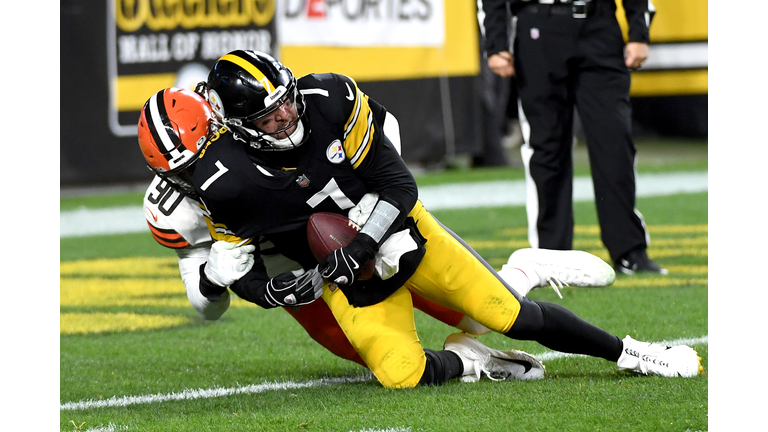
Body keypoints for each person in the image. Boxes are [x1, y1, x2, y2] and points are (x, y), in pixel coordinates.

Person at [146, 50, 701, 389]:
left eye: (286, 101)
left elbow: (399, 184)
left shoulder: (329, 97)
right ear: (236, 126)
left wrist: (361, 243)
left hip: (395, 231)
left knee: (501, 312)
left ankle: (634, 353)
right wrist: (275, 293)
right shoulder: (224, 176)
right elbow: (234, 263)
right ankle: (470, 362)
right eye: (269, 115)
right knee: (398, 374)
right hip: (338, 273)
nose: (287, 114)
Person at [137, 86, 610, 372]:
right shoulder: (176, 206)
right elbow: (205, 308)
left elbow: (385, 138)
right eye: (184, 172)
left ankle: (521, 271)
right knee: (384, 363)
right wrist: (213, 278)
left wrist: (368, 206)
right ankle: (472, 361)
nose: (202, 174)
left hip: (353, 233)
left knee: (478, 315)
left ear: (224, 122)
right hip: (298, 281)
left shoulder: (271, 122)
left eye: (204, 155)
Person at [481, 0, 667, 275]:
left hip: (599, 23)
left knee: (614, 140)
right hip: (538, 23)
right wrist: (496, 41)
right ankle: (551, 255)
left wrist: (639, 30)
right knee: (547, 145)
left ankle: (629, 250)